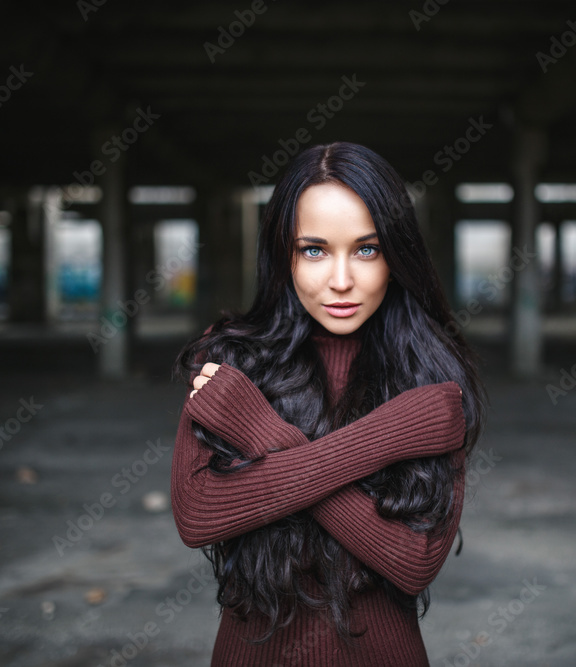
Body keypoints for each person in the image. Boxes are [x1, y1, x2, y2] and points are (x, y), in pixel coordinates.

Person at [171, 141, 488, 666]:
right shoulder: (232, 359)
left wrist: (265, 439)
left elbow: (413, 562)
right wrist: (395, 432)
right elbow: (198, 514)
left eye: (366, 249)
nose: (341, 281)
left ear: (397, 254)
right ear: (283, 255)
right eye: (314, 250)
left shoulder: (429, 372)